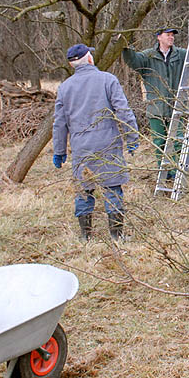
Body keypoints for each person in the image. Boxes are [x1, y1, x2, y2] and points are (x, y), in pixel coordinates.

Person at [53, 44, 139, 242]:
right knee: (112, 188)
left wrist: (59, 151)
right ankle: (117, 236)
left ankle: (86, 236)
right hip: (107, 144)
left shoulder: (65, 87)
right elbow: (123, 111)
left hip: (81, 147)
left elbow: (59, 123)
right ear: (89, 58)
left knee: (84, 190)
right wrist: (132, 137)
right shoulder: (107, 79)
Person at [121, 27, 188, 177]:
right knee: (160, 143)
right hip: (156, 109)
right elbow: (133, 60)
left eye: (172, 35)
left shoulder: (181, 55)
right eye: (168, 35)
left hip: (177, 107)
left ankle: (175, 174)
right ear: (159, 37)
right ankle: (162, 174)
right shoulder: (148, 56)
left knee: (177, 142)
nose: (171, 38)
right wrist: (125, 47)